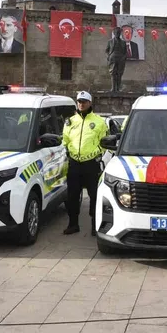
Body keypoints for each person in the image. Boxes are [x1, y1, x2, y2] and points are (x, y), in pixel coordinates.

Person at [62, 91, 108, 235]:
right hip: (75, 163)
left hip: (91, 164)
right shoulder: (70, 121)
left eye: (84, 102)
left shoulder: (99, 121)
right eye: (79, 102)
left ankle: (95, 225)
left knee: (94, 196)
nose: (81, 104)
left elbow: (105, 142)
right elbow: (65, 140)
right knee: (72, 196)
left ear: (90, 103)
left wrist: (97, 153)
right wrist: (68, 152)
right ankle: (73, 224)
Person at [105, 27, 128, 92]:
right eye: (116, 33)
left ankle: (118, 88)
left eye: (118, 33)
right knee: (113, 73)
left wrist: (124, 58)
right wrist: (108, 56)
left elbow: (125, 52)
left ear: (120, 33)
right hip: (112, 58)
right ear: (114, 33)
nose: (117, 34)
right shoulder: (110, 42)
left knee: (119, 74)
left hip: (121, 59)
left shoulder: (123, 42)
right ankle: (113, 88)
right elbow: (106, 50)